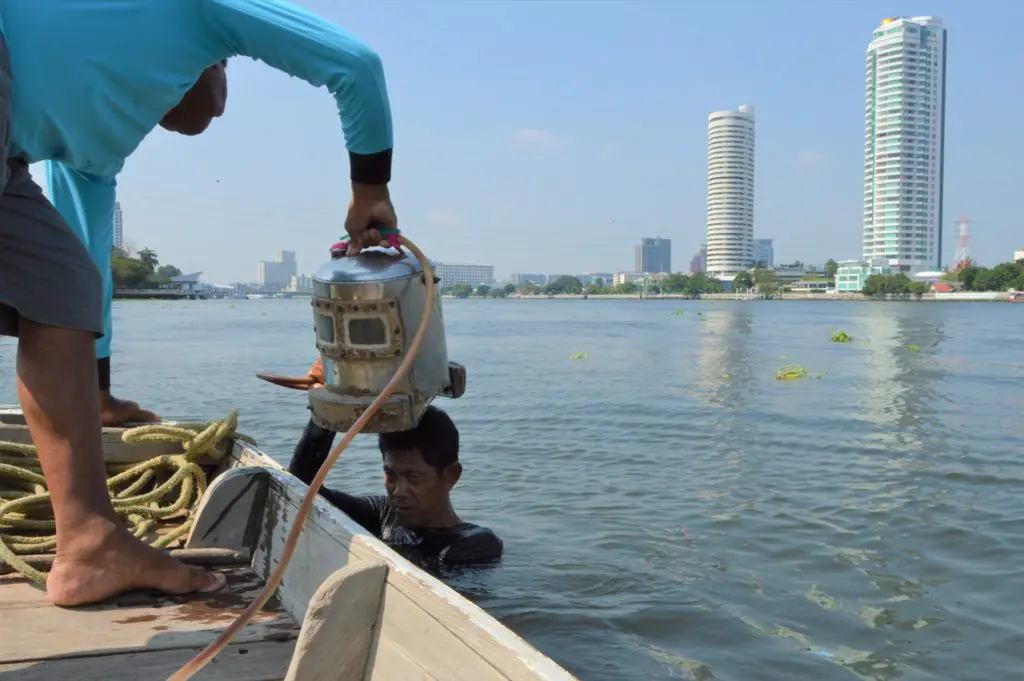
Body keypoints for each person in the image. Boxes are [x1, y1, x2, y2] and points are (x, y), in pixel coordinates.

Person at [0, 0, 399, 606]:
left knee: (61, 285)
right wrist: (371, 189)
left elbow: (79, 282)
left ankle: (89, 545)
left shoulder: (97, 152)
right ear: (202, 61)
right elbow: (356, 64)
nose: (224, 100)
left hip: (10, 154)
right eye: (227, 74)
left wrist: (97, 393)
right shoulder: (197, 8)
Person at [288, 360, 503, 570]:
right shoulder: (384, 514)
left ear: (451, 476)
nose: (399, 492)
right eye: (391, 474)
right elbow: (302, 487)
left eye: (414, 478)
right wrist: (327, 407)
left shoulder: (476, 543)